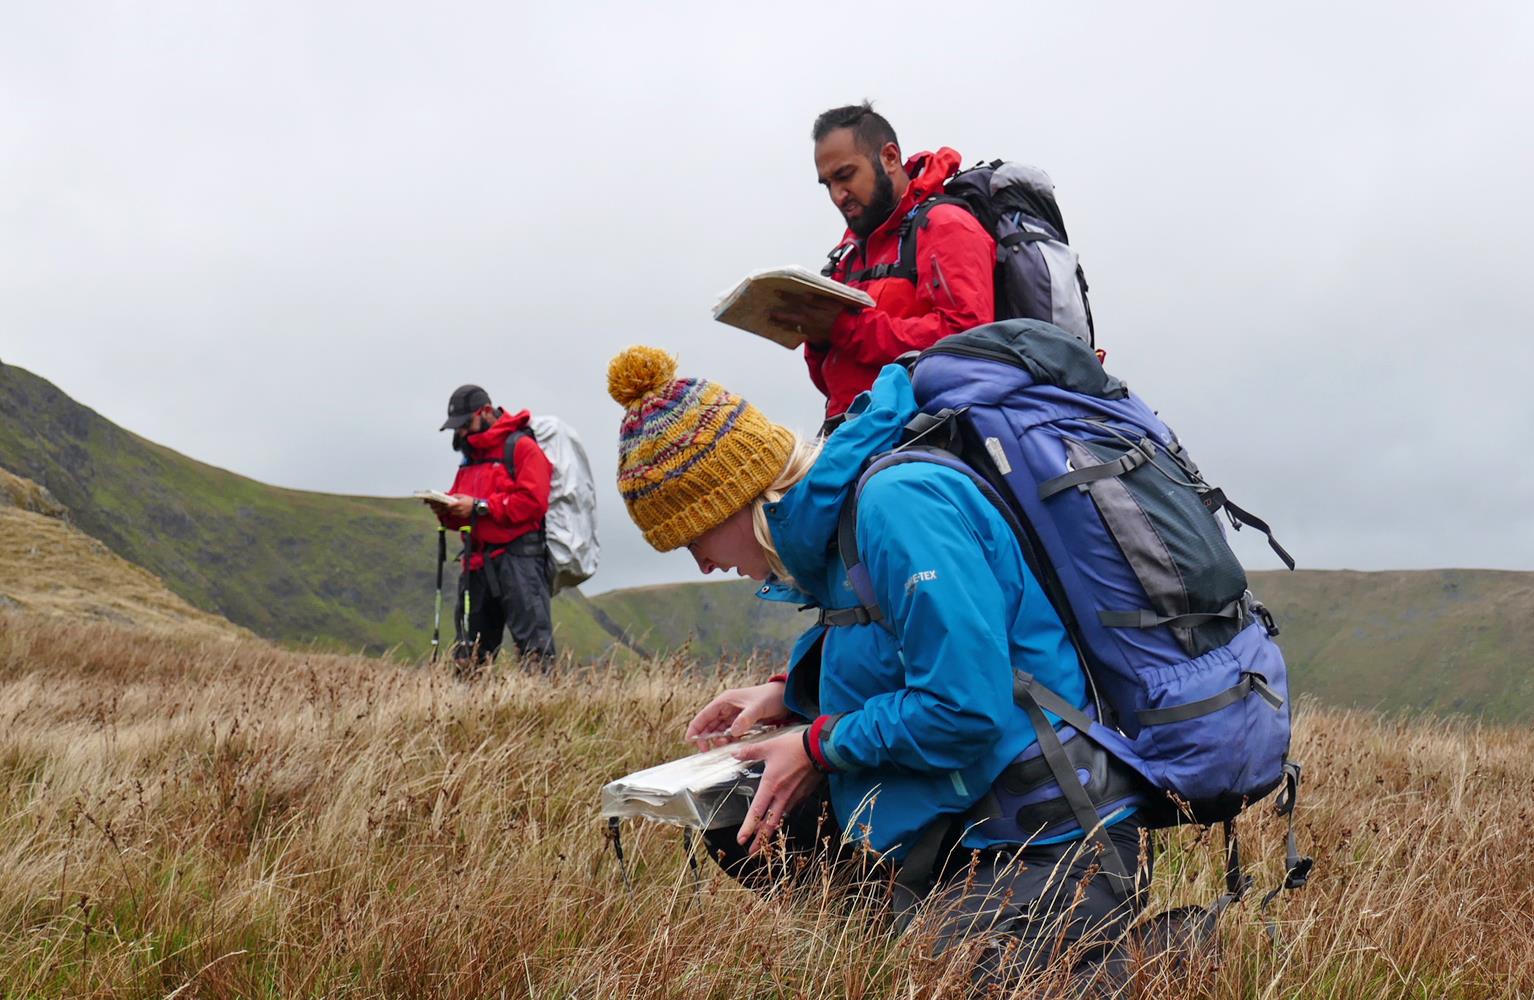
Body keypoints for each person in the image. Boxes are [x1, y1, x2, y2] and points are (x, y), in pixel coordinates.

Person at [605, 345, 1146, 995]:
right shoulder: (835, 534)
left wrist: (817, 745)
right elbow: (895, 647)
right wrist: (789, 693)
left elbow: (964, 708)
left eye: (693, 538)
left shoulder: (898, 506)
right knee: (734, 821)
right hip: (964, 817)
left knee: (949, 984)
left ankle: (1149, 954)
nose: (701, 566)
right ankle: (892, 945)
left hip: (1048, 835)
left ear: (732, 499)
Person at [771, 102, 996, 426]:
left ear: (889, 158)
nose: (837, 195)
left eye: (845, 175)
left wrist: (843, 327)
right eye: (828, 184)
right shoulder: (846, 255)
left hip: (923, 440)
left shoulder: (946, 225)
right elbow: (833, 383)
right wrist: (817, 335)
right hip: (850, 438)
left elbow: (968, 341)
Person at [428, 383, 556, 669]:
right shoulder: (469, 458)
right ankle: (465, 711)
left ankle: (544, 707)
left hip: (521, 561)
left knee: (535, 652)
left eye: (464, 424)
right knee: (470, 656)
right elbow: (465, 508)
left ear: (485, 412)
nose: (459, 433)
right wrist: (446, 512)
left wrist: (478, 507)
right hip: (476, 565)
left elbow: (533, 502)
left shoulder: (522, 448)